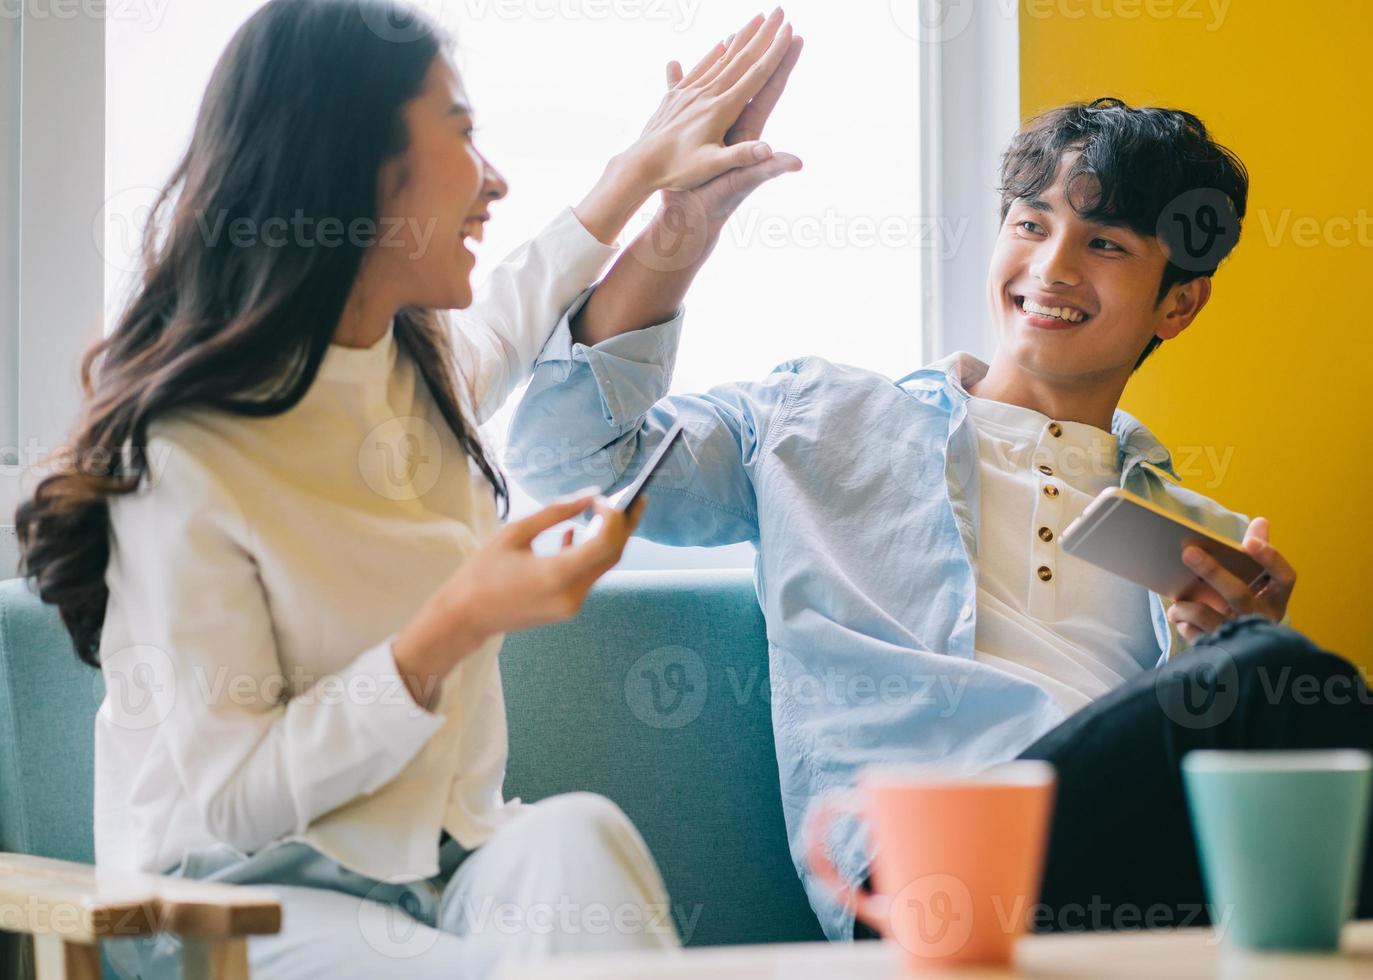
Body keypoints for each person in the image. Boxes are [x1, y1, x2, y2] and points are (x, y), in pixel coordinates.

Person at [506, 95, 1373, 940]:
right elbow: (567, 467)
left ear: (1179, 304)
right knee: (1274, 680)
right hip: (933, 874)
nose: (1049, 267)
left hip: (1154, 876)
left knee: (1289, 711)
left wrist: (1230, 646)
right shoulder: (817, 419)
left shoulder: (1192, 532)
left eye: (1105, 244)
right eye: (1029, 221)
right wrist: (679, 232)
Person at [12, 1, 801, 975]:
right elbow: (234, 799)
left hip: (436, 871)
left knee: (576, 838)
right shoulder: (186, 452)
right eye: (464, 136)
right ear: (354, 171)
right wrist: (452, 626)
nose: (496, 179)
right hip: (230, 903)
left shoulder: (411, 371)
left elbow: (523, 298)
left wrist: (647, 168)